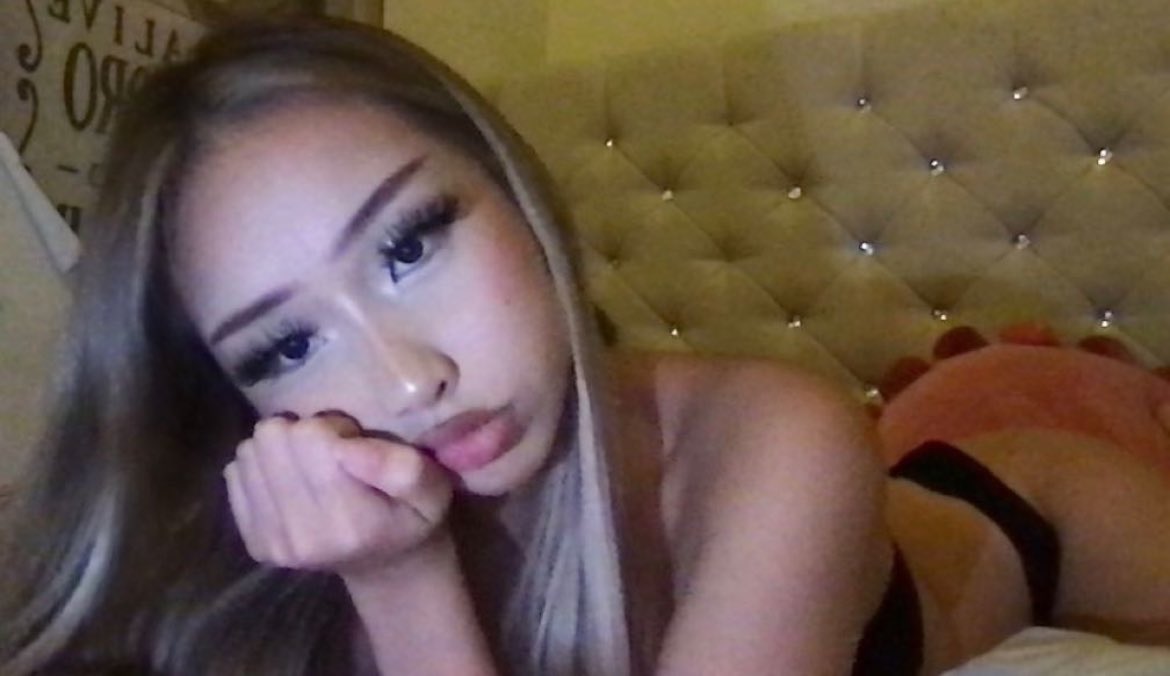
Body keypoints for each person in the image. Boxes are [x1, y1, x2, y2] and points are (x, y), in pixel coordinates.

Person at [2, 14, 1168, 676]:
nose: (406, 380)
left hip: (1024, 509)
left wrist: (406, 589)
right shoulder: (293, 525)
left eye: (410, 244)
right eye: (286, 344)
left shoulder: (786, 434)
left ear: (512, 183)